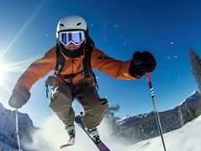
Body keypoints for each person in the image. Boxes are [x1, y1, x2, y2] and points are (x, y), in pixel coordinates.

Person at [8, 15, 156, 144]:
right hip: (62, 83)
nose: (71, 44)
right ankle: (68, 123)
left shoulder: (90, 53)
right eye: (66, 39)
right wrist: (21, 90)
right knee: (59, 100)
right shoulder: (54, 54)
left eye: (76, 37)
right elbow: (33, 72)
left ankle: (90, 125)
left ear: (84, 37)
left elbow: (115, 68)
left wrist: (135, 69)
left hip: (84, 82)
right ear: (59, 39)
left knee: (96, 107)